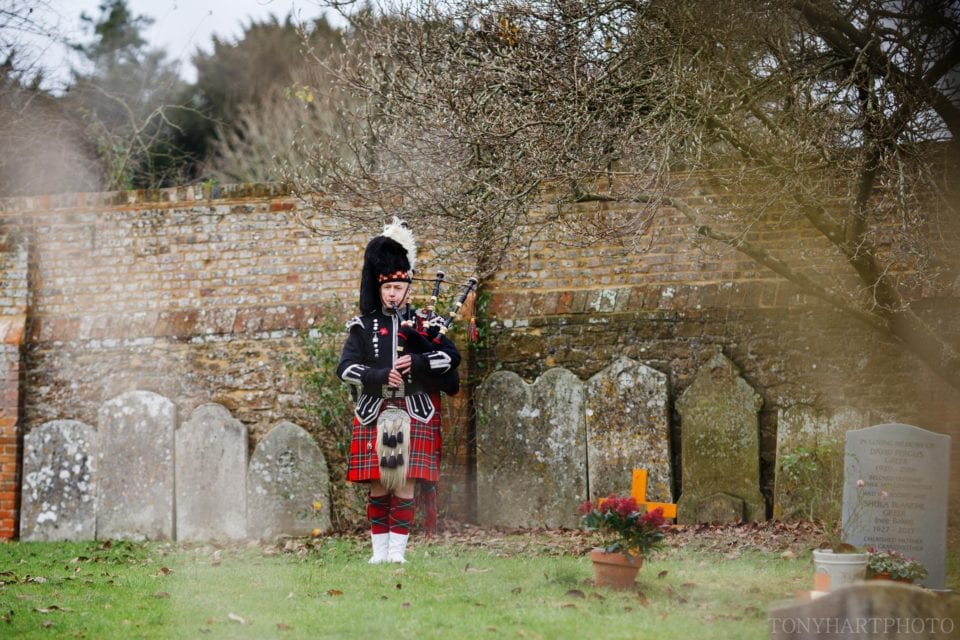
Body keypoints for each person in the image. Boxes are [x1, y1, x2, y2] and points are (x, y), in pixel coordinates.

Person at [337, 218, 461, 564]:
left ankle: (398, 554)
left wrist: (419, 362)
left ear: (409, 287)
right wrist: (378, 375)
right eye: (387, 287)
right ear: (379, 288)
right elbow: (345, 368)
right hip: (374, 411)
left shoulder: (427, 323)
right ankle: (378, 555)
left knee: (405, 483)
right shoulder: (363, 326)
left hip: (415, 410)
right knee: (379, 483)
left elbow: (451, 359)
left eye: (398, 287)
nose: (392, 293)